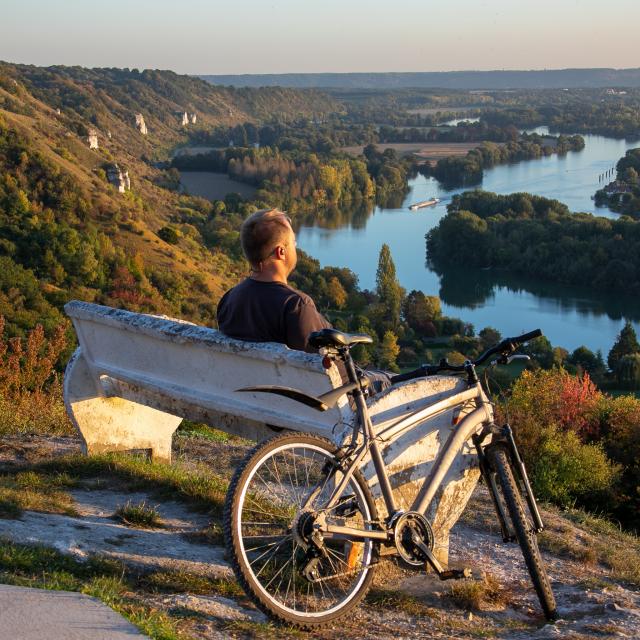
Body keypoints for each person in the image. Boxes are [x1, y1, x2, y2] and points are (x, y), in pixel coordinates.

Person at [217, 208, 391, 394]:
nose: (296, 247)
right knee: (395, 379)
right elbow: (337, 378)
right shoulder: (296, 306)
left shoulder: (229, 299)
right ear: (281, 252)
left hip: (257, 403)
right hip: (326, 410)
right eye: (294, 242)